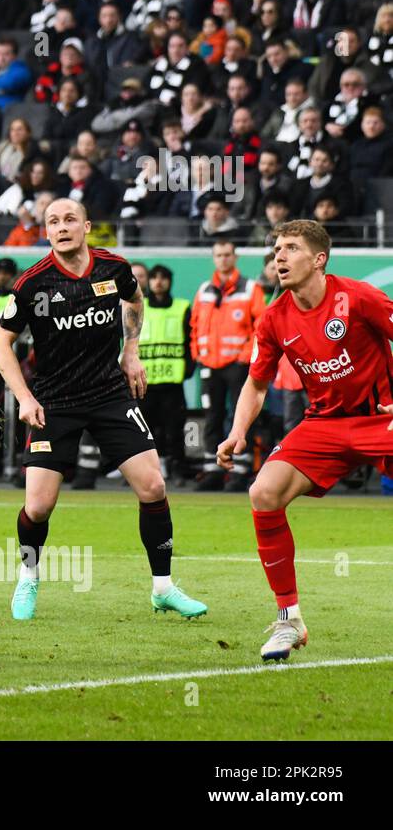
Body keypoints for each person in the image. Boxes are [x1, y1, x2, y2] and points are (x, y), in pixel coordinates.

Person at [0, 199, 207, 622]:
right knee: (37, 507)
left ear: (87, 226)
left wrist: (131, 350)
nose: (61, 227)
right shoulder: (33, 284)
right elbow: (1, 342)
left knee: (154, 487)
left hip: (109, 395)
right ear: (46, 232)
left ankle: (162, 587)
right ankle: (29, 575)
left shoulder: (113, 268)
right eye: (52, 221)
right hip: (54, 402)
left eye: (70, 219)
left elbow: (135, 299)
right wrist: (25, 398)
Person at [216, 221, 393, 661]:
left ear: (319, 259)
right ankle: (288, 619)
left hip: (380, 418)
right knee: (263, 492)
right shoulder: (274, 317)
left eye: (291, 248)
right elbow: (256, 385)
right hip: (325, 425)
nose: (279, 256)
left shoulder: (358, 297)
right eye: (276, 248)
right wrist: (238, 432)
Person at [191, 239, 266, 491]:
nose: (223, 259)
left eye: (227, 254)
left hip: (238, 363)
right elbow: (194, 325)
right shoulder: (204, 290)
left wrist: (246, 354)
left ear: (235, 258)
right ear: (214, 258)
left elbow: (261, 327)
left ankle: (240, 470)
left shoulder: (250, 288)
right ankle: (213, 470)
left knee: (241, 416)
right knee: (212, 416)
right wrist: (197, 352)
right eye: (219, 255)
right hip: (209, 364)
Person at [138, 264, 193, 483]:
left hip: (172, 382)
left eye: (163, 278)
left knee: (175, 430)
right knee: (145, 432)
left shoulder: (181, 307)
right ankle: (145, 472)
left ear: (169, 281)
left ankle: (178, 468)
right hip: (145, 383)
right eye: (154, 277)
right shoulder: (138, 306)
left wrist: (189, 366)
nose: (158, 282)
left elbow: (191, 339)